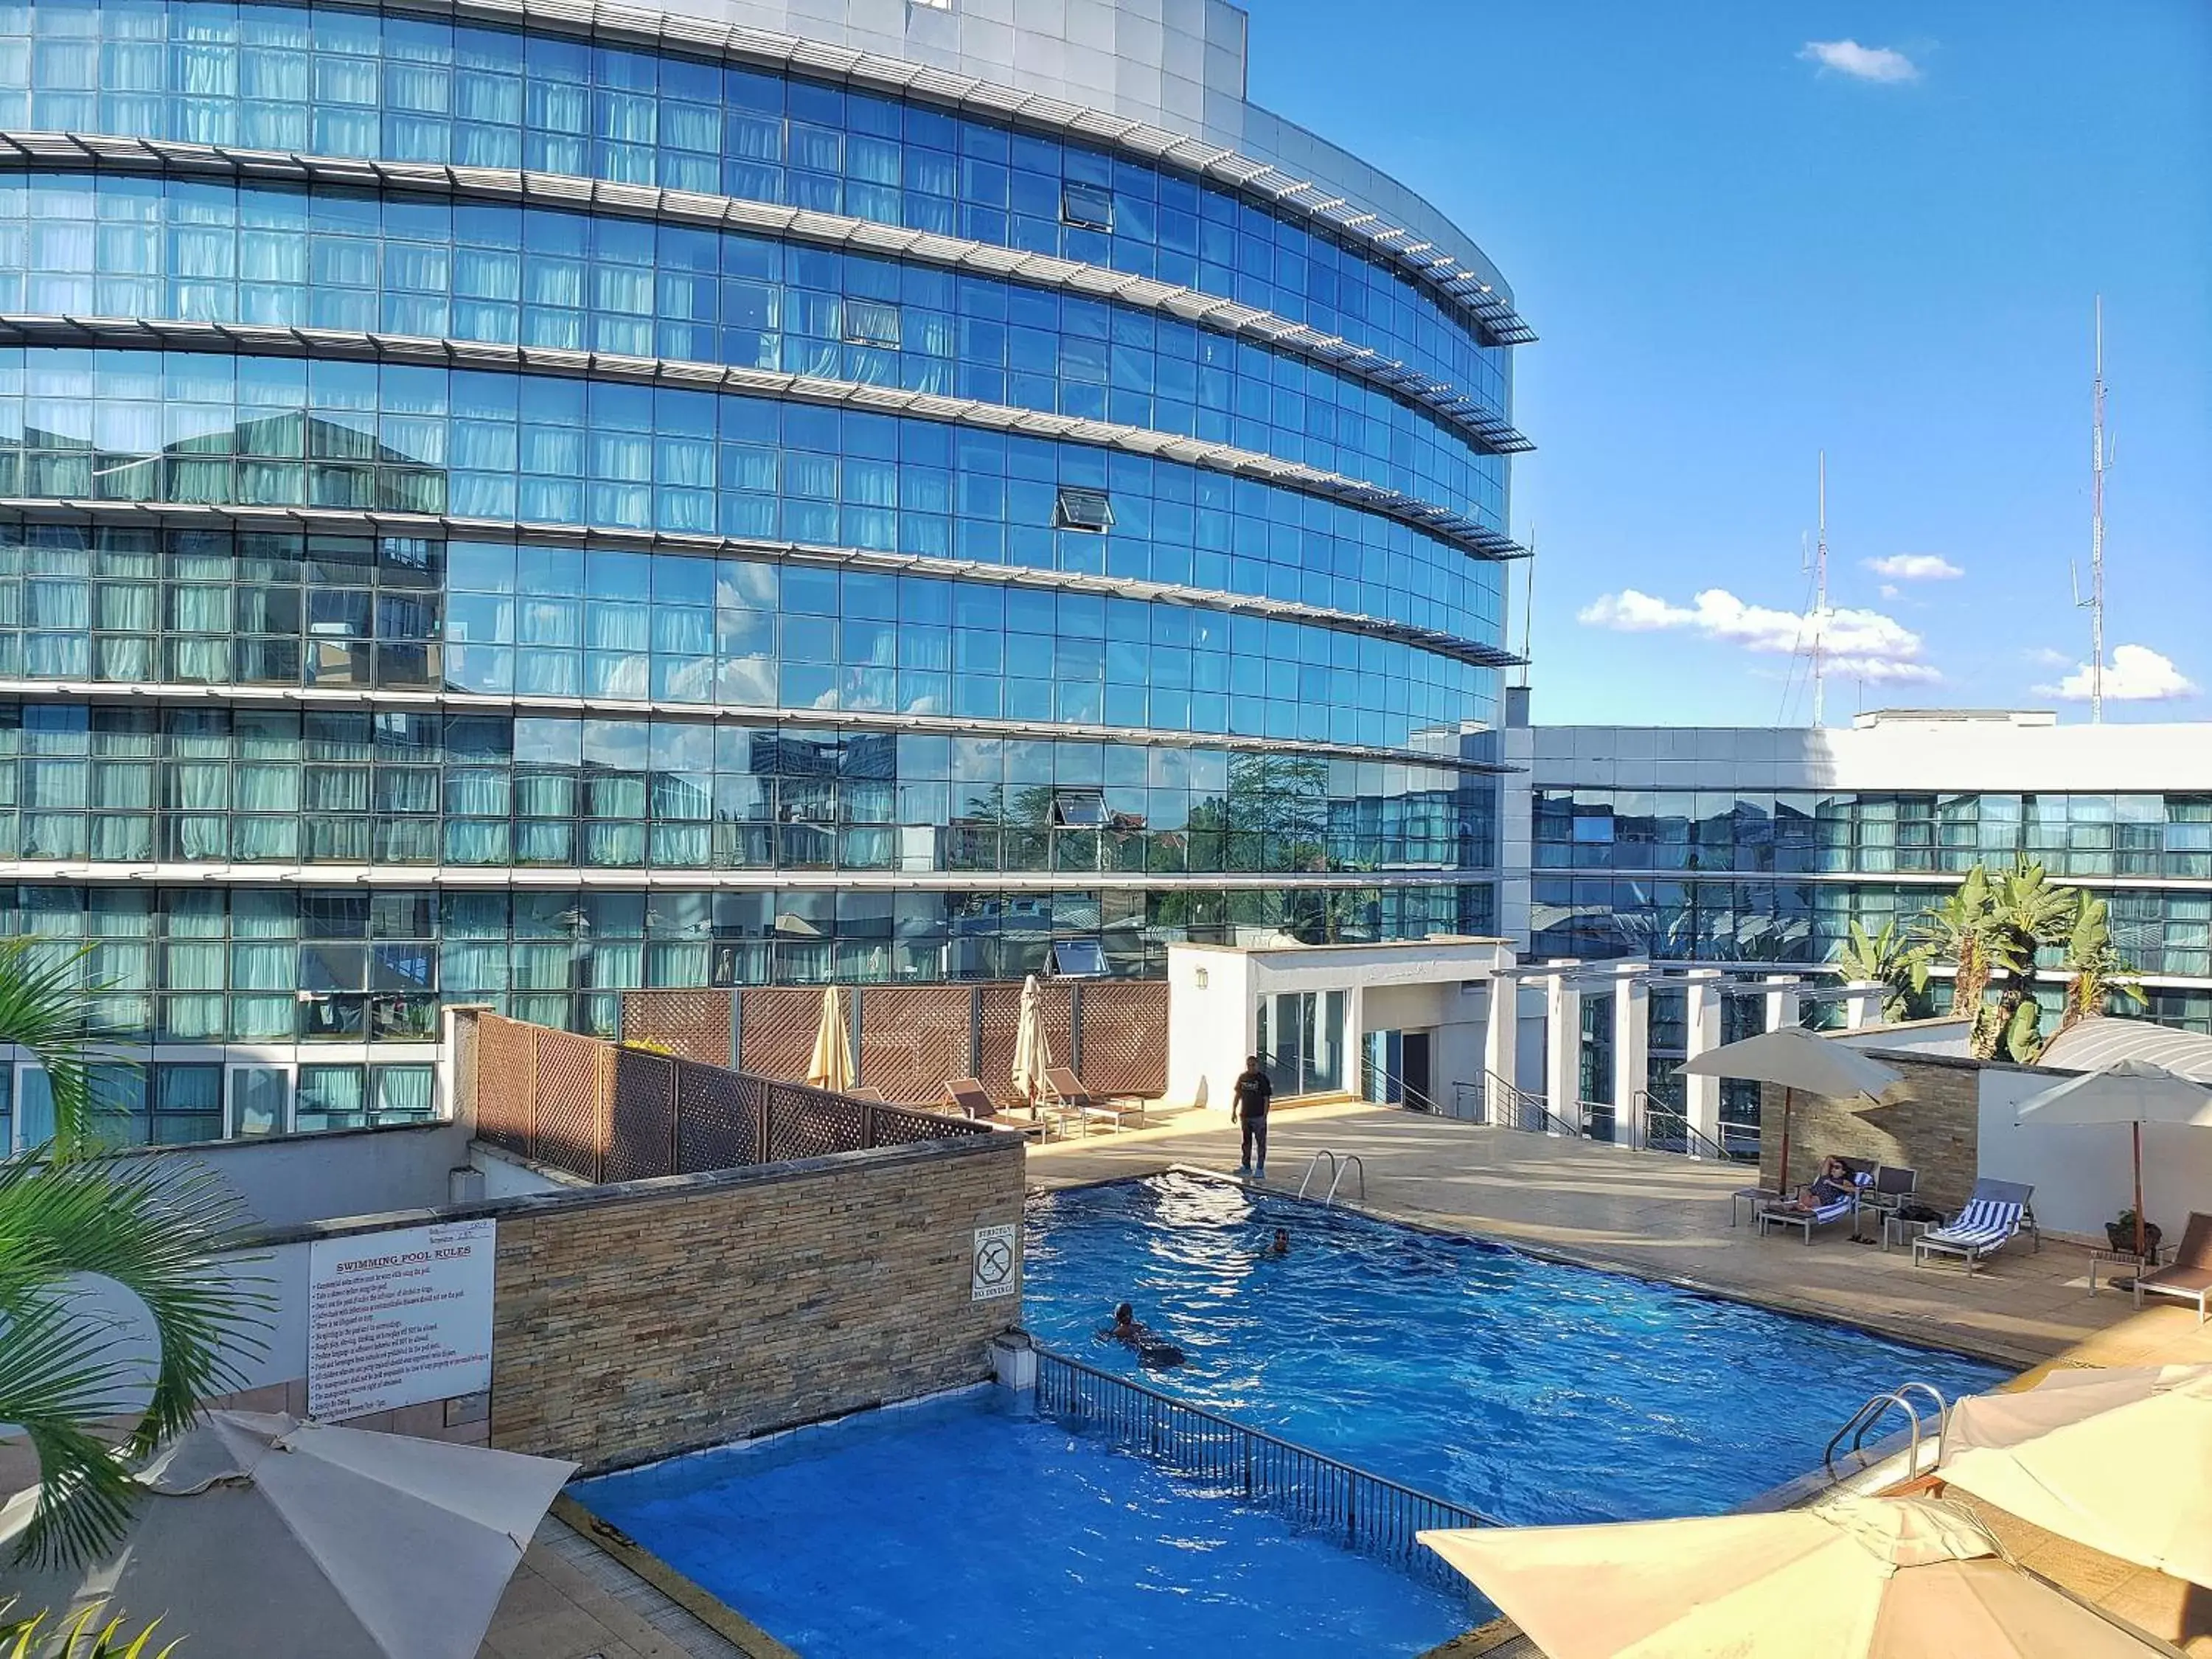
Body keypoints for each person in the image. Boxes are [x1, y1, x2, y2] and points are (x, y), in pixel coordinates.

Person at [1231, 1054, 1273, 1180]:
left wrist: (1265, 1115)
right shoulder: (1243, 1078)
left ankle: (1260, 1168)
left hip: (1258, 1116)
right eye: (1249, 1065)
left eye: (1253, 1065)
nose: (1251, 1068)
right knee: (1246, 1142)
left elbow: (1266, 1098)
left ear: (1257, 1065)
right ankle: (1246, 1166)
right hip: (1245, 1115)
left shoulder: (1262, 1079)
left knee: (1261, 1143)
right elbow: (1238, 1095)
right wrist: (1234, 1110)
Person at [1789, 1155, 1859, 1211]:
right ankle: (1802, 1206)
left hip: (1823, 1198)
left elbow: (1855, 1190)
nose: (1833, 1169)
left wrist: (1832, 1184)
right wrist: (1835, 1163)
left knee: (1809, 1201)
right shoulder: (1826, 1176)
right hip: (1812, 1192)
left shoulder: (1843, 1181)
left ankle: (1801, 1206)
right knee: (1804, 1189)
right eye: (1832, 1167)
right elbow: (1829, 1158)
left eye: (1837, 1168)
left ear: (1844, 1172)